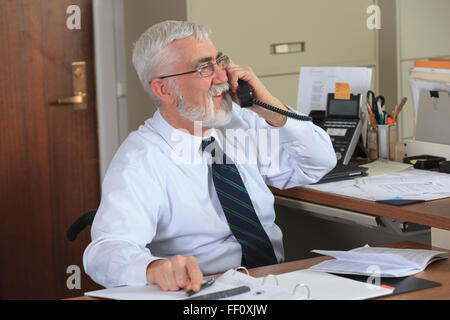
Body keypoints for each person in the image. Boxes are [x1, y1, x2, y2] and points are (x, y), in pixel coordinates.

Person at [83, 20, 336, 293]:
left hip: (273, 281)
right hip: (205, 292)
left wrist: (268, 106)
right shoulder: (141, 157)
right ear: (163, 90)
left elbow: (318, 163)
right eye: (204, 68)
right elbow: (105, 250)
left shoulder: (238, 123)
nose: (222, 77)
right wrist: (153, 268)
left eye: (220, 61)